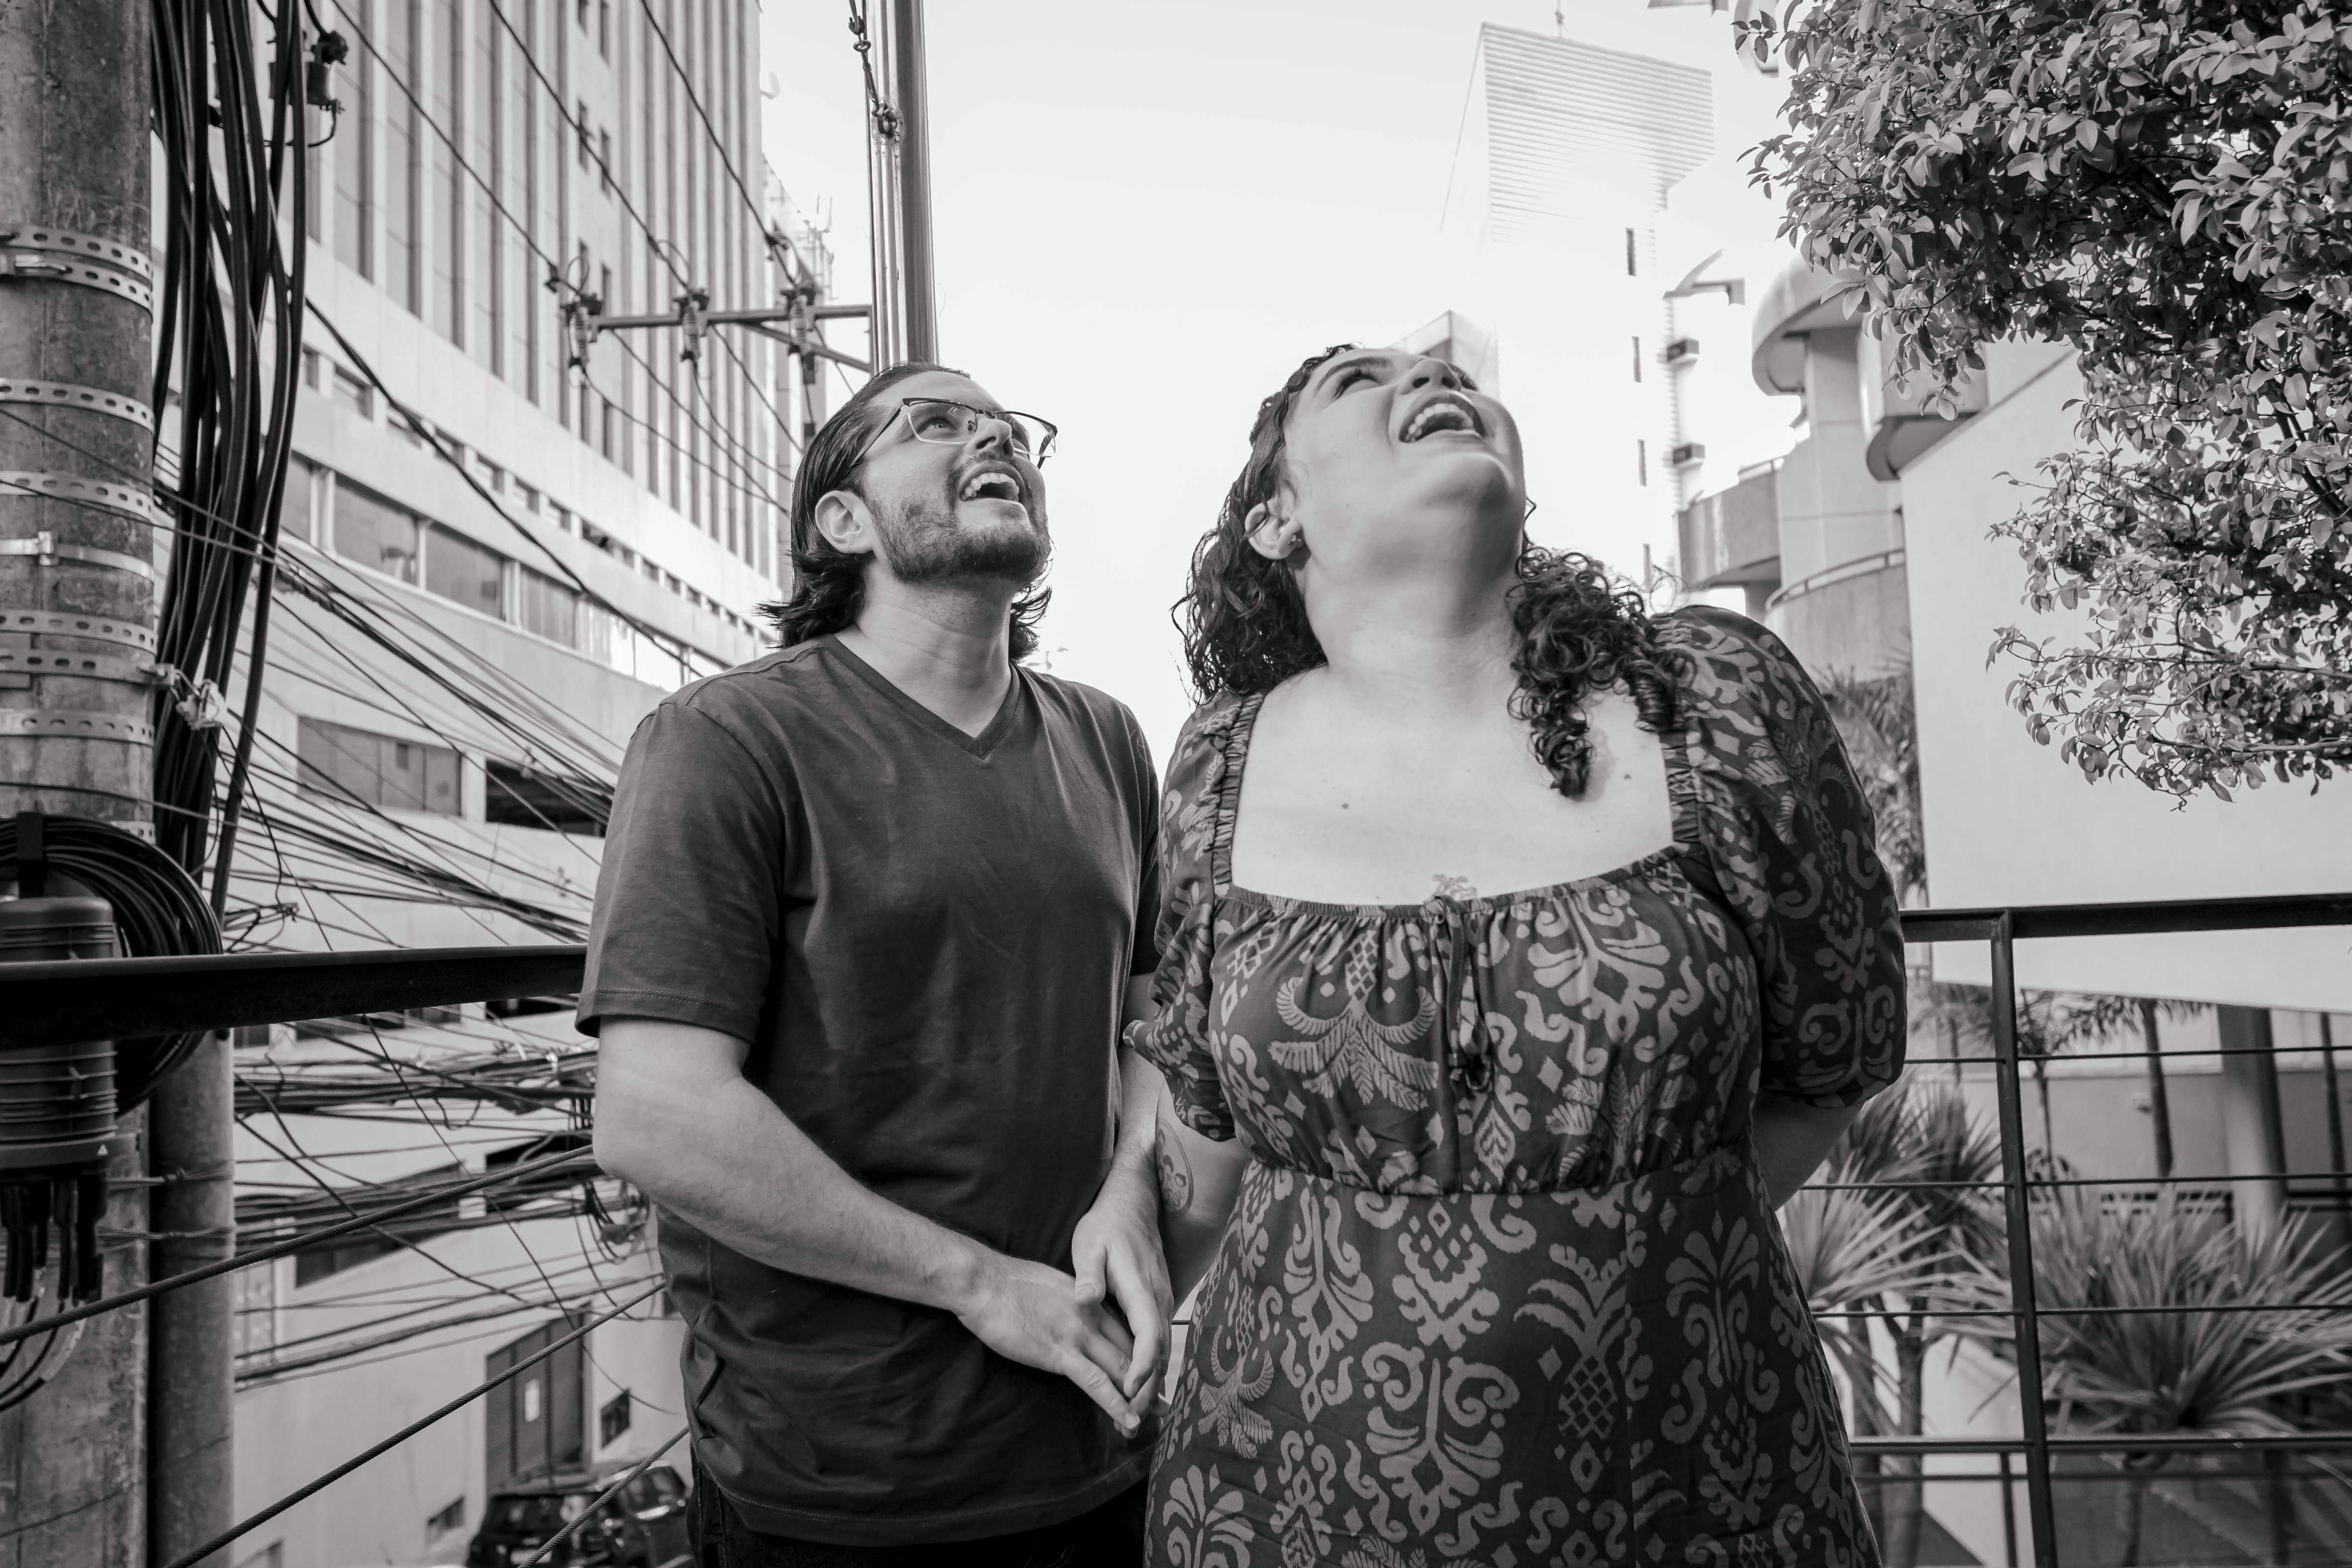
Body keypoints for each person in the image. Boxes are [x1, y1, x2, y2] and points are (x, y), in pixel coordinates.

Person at [1133, 346, 1906, 1566]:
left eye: (1444, 371)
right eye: (1359, 380)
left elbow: (1830, 1063)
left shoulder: (1711, 698)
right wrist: (1121, 1205)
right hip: (1282, 1500)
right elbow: (1210, 1130)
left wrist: (1622, 1241)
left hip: (1700, 1489)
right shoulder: (1215, 766)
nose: (1427, 378)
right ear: (1277, 517)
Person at [582, 362, 1173, 1565]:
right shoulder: (725, 738)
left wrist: (1130, 1181)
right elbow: (655, 1115)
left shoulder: (1106, 736)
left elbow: (1153, 1023)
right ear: (844, 521)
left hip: (1100, 1431)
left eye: (1009, 429)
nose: (992, 439)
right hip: (839, 1478)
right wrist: (979, 1282)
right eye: (934, 424)